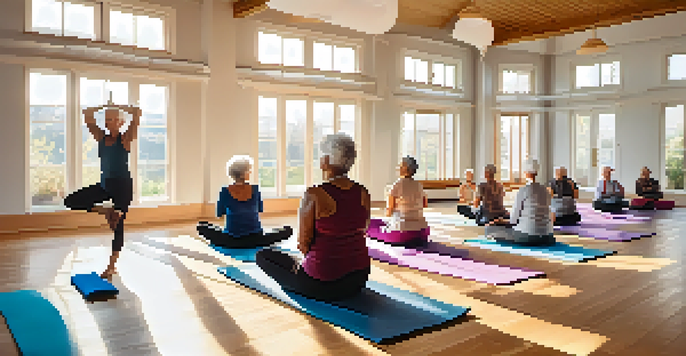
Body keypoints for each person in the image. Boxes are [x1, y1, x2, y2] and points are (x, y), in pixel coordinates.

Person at [256, 133, 370, 301]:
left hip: (323, 283)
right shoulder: (362, 192)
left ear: (325, 161)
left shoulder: (314, 194)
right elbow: (364, 228)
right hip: (358, 279)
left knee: (263, 256)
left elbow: (303, 243)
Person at [64, 103, 140, 279]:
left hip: (122, 187)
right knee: (70, 201)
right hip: (105, 184)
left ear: (120, 122)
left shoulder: (126, 138)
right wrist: (105, 106)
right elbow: (87, 114)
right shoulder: (101, 138)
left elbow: (136, 114)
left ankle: (111, 266)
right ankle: (106, 210)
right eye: (105, 119)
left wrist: (117, 107)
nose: (107, 123)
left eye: (111, 120)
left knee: (118, 227)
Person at [197, 155, 292, 248]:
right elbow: (259, 210)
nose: (250, 172)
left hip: (231, 239)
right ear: (244, 173)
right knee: (287, 230)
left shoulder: (225, 191)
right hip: (256, 238)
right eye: (249, 170)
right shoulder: (255, 189)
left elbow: (219, 214)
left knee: (202, 226)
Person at [487, 159, 555, 246]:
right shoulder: (546, 191)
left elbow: (513, 220)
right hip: (547, 236)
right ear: (537, 172)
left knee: (490, 230)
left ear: (525, 173)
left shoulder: (523, 190)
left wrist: (499, 221)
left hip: (528, 235)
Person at [368, 156, 429, 247]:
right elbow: (425, 204)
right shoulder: (419, 185)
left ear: (404, 169)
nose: (398, 168)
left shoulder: (396, 185)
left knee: (370, 224)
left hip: (401, 233)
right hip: (421, 232)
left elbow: (389, 211)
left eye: (400, 166)